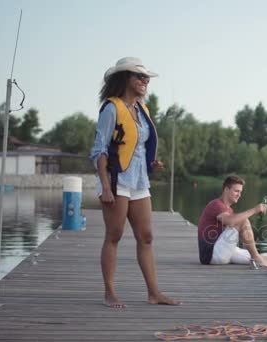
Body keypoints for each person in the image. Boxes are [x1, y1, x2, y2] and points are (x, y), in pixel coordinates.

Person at [90, 57, 180, 308]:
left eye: (146, 78)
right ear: (125, 78)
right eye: (139, 77)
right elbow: (99, 151)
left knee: (147, 237)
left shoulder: (142, 110)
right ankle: (110, 293)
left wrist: (152, 164)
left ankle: (154, 293)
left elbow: (136, 146)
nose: (144, 82)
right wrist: (106, 187)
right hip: (117, 181)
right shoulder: (111, 108)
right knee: (114, 235)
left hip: (140, 181)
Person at [197, 175, 267, 268]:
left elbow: (236, 231)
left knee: (265, 259)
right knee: (243, 221)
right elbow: (231, 221)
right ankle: (256, 257)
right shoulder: (216, 204)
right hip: (211, 255)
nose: (239, 195)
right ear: (226, 189)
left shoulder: (229, 210)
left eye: (240, 192)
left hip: (222, 251)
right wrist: (254, 210)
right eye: (236, 191)